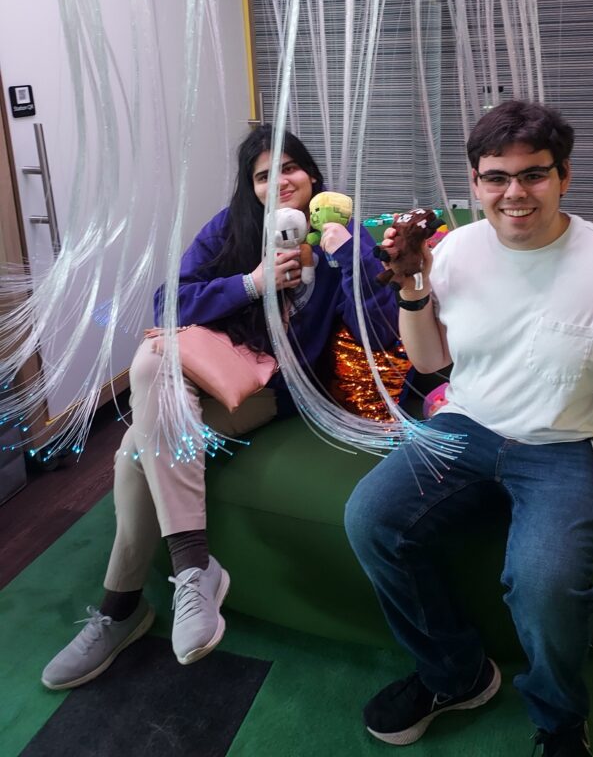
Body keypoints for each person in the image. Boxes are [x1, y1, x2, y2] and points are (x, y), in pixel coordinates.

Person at [344, 100, 593, 757]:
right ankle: (455, 674)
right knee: (370, 515)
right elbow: (431, 360)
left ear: (564, 177)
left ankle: (560, 719)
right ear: (476, 181)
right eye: (495, 177)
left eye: (533, 175)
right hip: (468, 424)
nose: (514, 194)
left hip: (576, 446)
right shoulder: (458, 248)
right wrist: (413, 292)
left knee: (542, 579)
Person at [42, 124, 398, 690]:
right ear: (250, 188)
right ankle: (191, 568)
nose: (279, 182)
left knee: (136, 451)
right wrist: (252, 283)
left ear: (313, 176)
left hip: (271, 390)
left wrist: (347, 254)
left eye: (290, 168)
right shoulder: (230, 229)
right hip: (213, 364)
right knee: (151, 360)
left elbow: (382, 331)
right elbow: (169, 300)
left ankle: (121, 608)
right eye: (263, 175)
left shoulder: (344, 239)